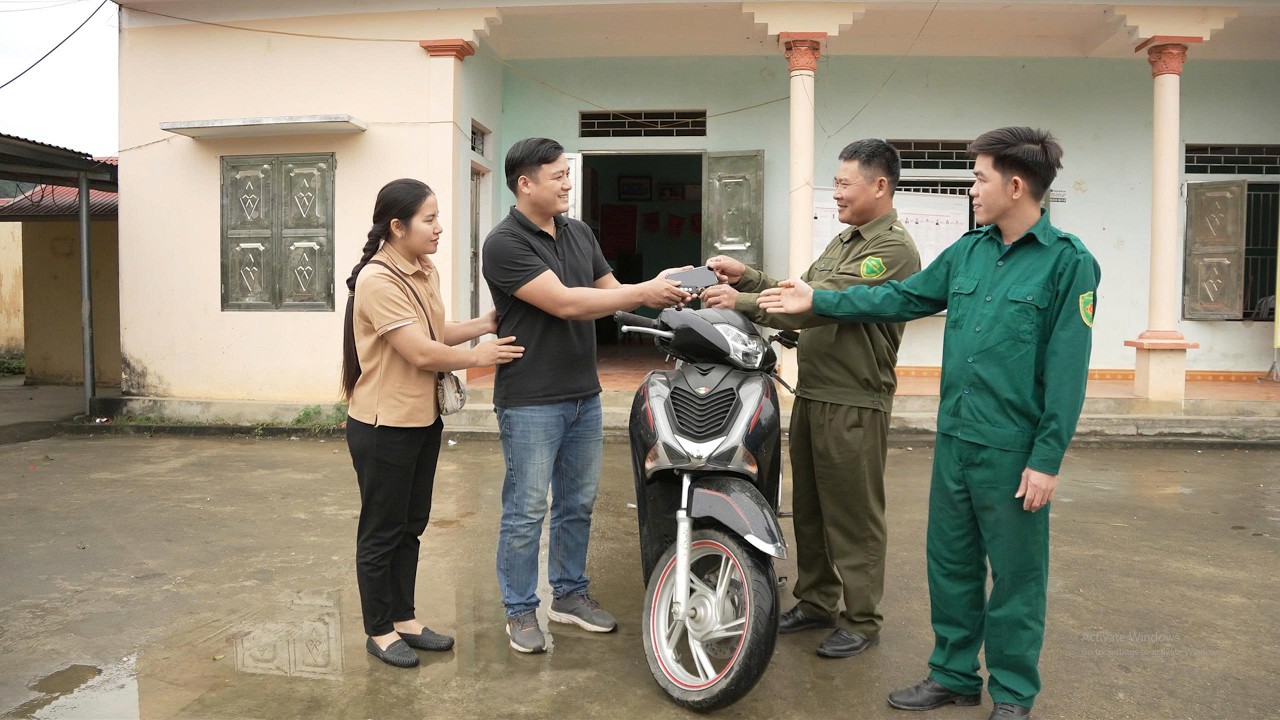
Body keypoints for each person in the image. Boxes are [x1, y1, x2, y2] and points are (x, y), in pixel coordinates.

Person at [759, 127, 1100, 720]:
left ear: (1016, 185)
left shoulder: (1068, 264)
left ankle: (1014, 693)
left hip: (1013, 449)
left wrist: (1047, 459)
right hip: (957, 438)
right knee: (950, 563)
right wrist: (818, 301)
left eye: (979, 178)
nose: (972, 189)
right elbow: (899, 298)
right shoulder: (968, 253)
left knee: (1017, 577)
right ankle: (953, 675)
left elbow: (1067, 373)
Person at [701, 139, 920, 659]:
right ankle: (818, 600)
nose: (837, 193)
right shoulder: (845, 242)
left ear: (880, 186)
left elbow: (825, 305)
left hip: (854, 400)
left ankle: (862, 619)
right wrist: (749, 278)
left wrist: (744, 302)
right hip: (816, 392)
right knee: (813, 509)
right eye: (837, 183)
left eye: (845, 183)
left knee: (854, 514)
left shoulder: (890, 249)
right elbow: (798, 290)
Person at [482, 137, 693, 654]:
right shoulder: (504, 243)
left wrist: (672, 304)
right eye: (557, 175)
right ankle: (520, 610)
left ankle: (569, 595)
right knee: (528, 509)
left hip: (583, 392)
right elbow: (567, 304)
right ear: (525, 183)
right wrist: (643, 290)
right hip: (531, 397)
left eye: (567, 174)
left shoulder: (578, 232)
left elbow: (606, 292)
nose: (567, 183)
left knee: (577, 503)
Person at [341, 178, 525, 668]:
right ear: (397, 227)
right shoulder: (379, 280)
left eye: (438, 217)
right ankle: (378, 630)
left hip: (422, 419)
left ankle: (403, 618)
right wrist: (479, 356)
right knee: (382, 529)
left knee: (411, 524)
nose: (440, 228)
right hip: (384, 425)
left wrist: (483, 325)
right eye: (429, 219)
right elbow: (420, 351)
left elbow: (432, 330)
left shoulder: (422, 270)